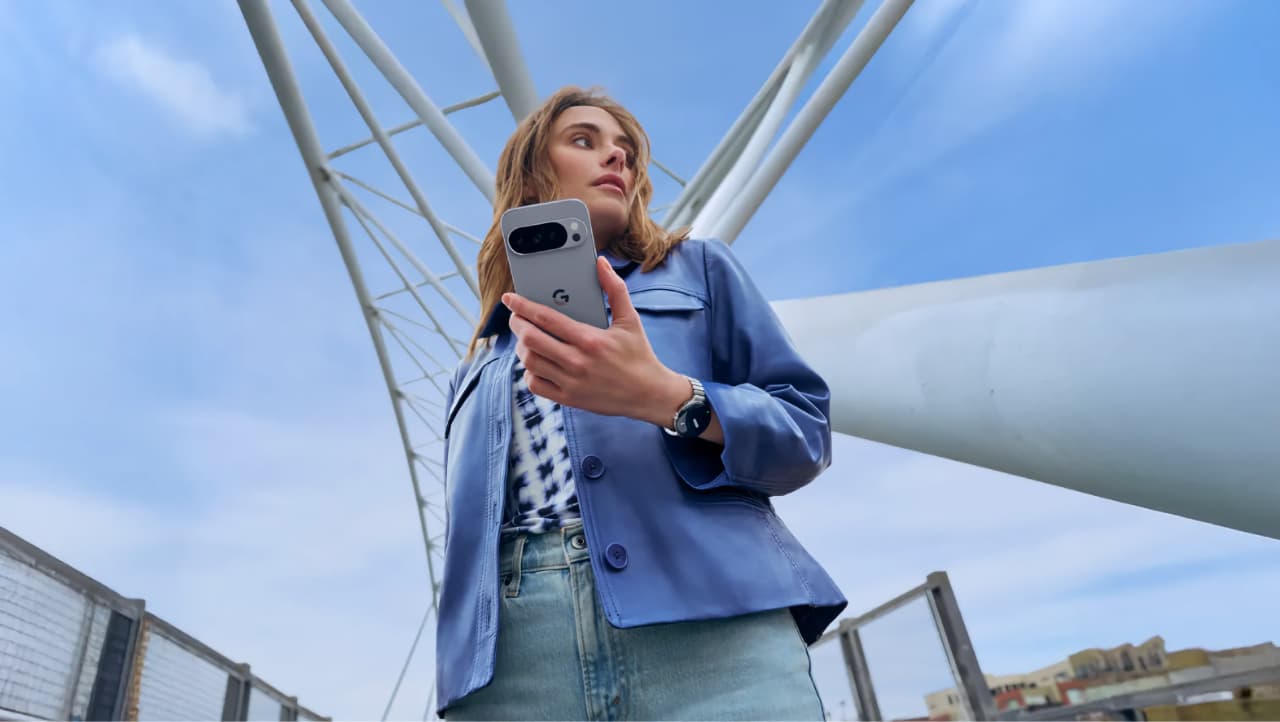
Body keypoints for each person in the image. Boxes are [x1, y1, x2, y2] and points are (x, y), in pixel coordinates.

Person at [436, 86, 847, 721]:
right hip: (513, 671)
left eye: (627, 152)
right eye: (585, 140)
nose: (617, 159)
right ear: (531, 171)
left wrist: (668, 397)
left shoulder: (701, 270)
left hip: (713, 634)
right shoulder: (477, 363)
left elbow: (805, 432)